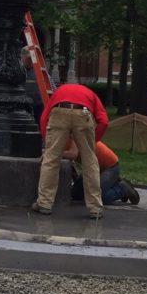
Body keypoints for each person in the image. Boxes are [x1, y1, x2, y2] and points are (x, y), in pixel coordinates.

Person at [32, 82, 109, 219]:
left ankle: (44, 203)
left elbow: (44, 117)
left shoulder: (59, 92)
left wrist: (46, 141)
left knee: (51, 160)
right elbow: (104, 121)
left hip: (59, 112)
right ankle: (95, 208)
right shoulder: (91, 94)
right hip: (84, 113)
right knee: (90, 162)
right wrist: (94, 141)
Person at [65, 140, 140, 205]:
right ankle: (110, 182)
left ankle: (122, 188)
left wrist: (55, 154)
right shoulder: (60, 137)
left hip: (109, 166)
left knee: (98, 197)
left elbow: (73, 154)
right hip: (92, 167)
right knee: (75, 194)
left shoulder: (72, 133)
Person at [21, 47, 44, 123]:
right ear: (22, 57)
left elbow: (51, 86)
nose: (30, 61)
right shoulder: (19, 71)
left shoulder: (40, 71)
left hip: (38, 106)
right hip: (22, 106)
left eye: (31, 59)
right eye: (28, 59)